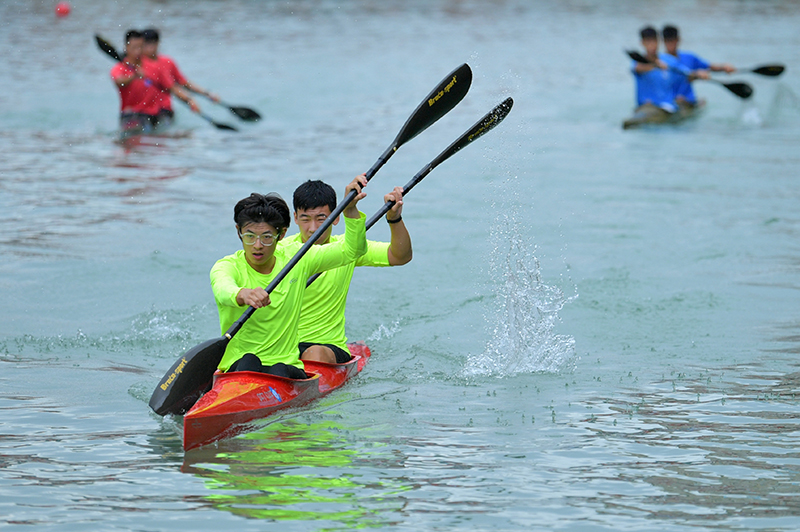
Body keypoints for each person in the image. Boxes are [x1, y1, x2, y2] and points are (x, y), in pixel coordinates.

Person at [210, 175, 368, 378]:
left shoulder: (299, 258)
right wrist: (242, 294)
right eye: (250, 236)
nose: (257, 245)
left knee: (279, 369)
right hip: (238, 367)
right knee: (248, 361)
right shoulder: (226, 266)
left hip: (286, 367)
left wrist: (351, 210)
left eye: (267, 237)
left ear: (282, 234)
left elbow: (353, 250)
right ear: (238, 232)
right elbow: (223, 289)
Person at [284, 178, 412, 365]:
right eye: (305, 219)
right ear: (295, 218)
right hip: (283, 348)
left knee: (314, 354)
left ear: (336, 218)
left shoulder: (347, 249)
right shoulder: (279, 251)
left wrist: (394, 218)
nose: (313, 228)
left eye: (321, 219)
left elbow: (400, 256)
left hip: (325, 348)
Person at [141, 28, 216, 125]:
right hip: (143, 111)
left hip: (164, 110)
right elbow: (173, 88)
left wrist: (207, 94)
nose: (150, 47)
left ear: (158, 43)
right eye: (146, 44)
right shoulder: (136, 65)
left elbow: (184, 83)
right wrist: (189, 99)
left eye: (153, 43)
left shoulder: (168, 62)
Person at [661, 25, 735, 108]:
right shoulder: (660, 61)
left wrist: (724, 67)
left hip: (688, 102)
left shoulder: (689, 57)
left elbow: (709, 66)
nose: (670, 44)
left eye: (673, 40)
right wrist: (696, 74)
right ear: (663, 41)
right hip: (668, 103)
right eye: (668, 41)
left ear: (678, 40)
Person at [109, 30, 164, 134]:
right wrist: (134, 76)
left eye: (140, 47)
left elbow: (171, 87)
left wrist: (189, 100)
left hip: (153, 116)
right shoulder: (119, 68)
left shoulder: (154, 66)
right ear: (126, 48)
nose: (138, 51)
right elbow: (119, 82)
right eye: (134, 47)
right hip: (130, 115)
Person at [630, 26, 678, 112]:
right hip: (646, 106)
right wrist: (656, 65)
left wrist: (698, 74)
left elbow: (687, 75)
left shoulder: (670, 60)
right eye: (648, 42)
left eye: (654, 41)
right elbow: (638, 69)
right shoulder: (638, 61)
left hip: (667, 107)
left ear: (659, 41)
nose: (652, 45)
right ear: (642, 43)